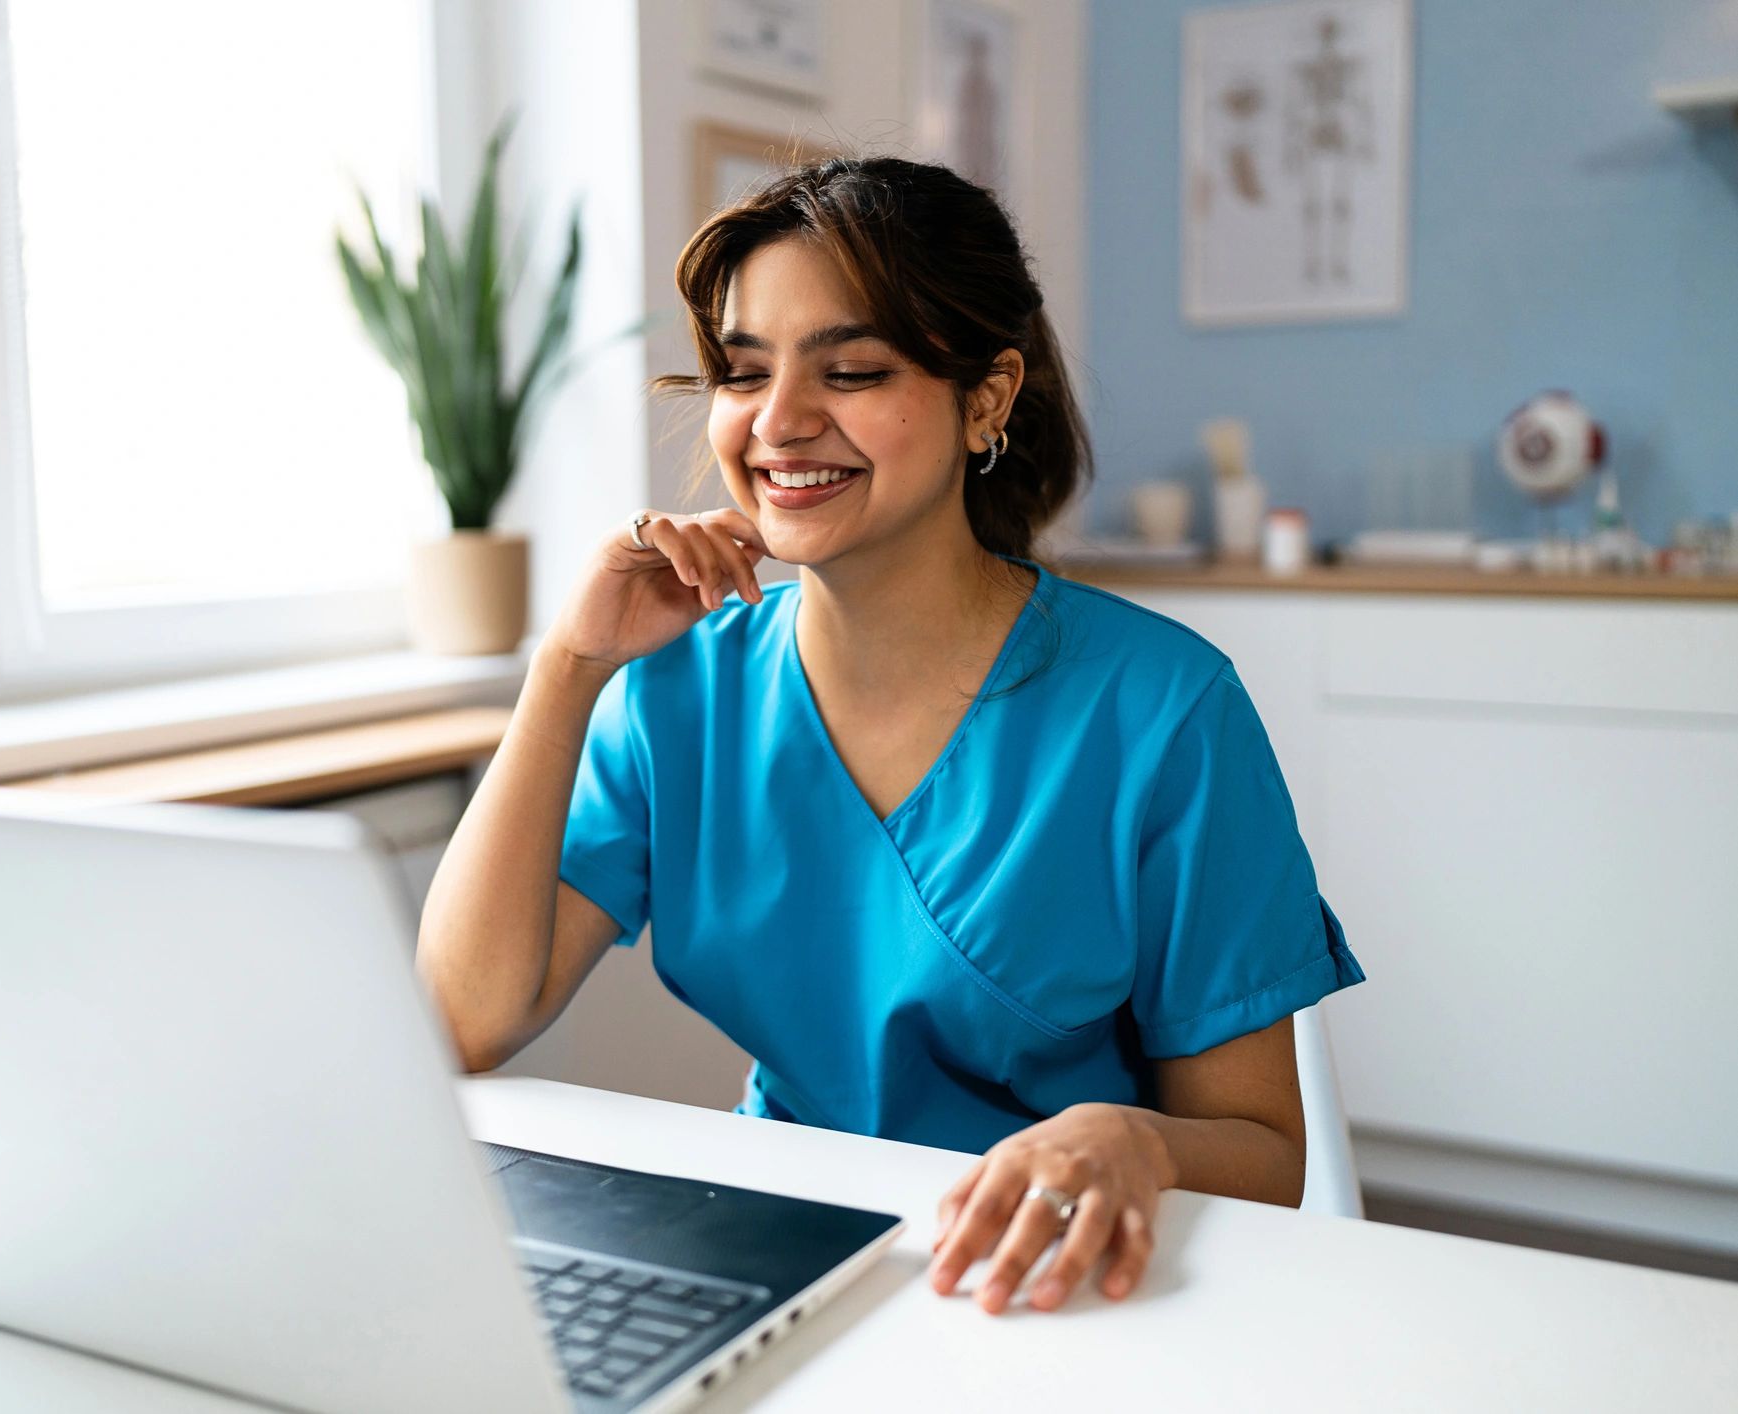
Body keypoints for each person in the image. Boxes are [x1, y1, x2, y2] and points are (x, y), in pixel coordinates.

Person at [417, 156, 1364, 1317]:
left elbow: (1272, 1155)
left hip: (1064, 1269)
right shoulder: (681, 689)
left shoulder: (1162, 709)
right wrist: (567, 666)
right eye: (743, 370)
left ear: (987, 399)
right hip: (782, 1253)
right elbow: (464, 1020)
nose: (779, 422)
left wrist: (1134, 1140)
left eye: (853, 369)